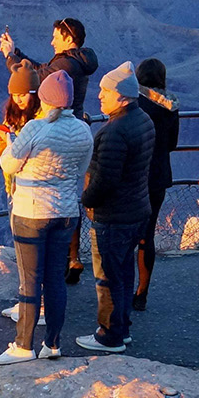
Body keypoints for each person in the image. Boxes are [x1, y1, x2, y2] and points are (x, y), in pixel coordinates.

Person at [0, 71, 94, 364]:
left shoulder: (35, 129)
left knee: (29, 282)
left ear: (45, 98)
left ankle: (23, 346)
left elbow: (10, 164)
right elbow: (80, 168)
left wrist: (10, 142)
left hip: (32, 212)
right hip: (65, 212)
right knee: (55, 281)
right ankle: (53, 344)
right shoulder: (83, 130)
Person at [0, 17, 99, 284]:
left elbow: (39, 77)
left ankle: (63, 260)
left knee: (58, 191)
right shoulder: (76, 60)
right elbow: (43, 67)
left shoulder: (66, 63)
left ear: (68, 38)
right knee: (68, 191)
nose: (51, 40)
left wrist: (11, 59)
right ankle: (72, 257)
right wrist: (16, 53)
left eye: (56, 36)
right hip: (76, 128)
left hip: (60, 128)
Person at [76, 63, 155, 353]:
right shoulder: (143, 119)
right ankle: (122, 328)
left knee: (109, 277)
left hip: (114, 215)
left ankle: (109, 335)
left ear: (122, 97)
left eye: (105, 91)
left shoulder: (114, 131)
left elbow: (105, 180)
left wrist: (86, 200)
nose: (99, 96)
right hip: (137, 209)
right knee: (124, 272)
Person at [0, 65, 41, 323]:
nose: (19, 99)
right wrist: (2, 140)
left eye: (24, 93)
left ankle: (35, 306)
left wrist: (12, 144)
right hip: (14, 188)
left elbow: (27, 156)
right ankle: (27, 302)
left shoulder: (40, 120)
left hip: (33, 191)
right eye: (15, 94)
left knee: (34, 254)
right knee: (23, 252)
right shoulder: (14, 116)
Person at [133, 58, 179, 311]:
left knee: (128, 232)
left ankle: (120, 289)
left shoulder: (134, 103)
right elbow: (172, 143)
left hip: (134, 174)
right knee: (147, 234)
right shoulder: (171, 105)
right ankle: (142, 292)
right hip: (158, 174)